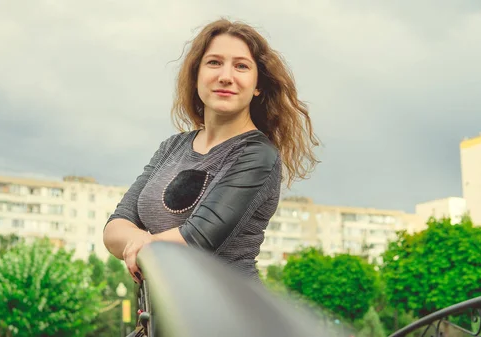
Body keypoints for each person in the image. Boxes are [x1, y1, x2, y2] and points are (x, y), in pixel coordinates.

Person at [103, 18, 319, 284]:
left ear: (258, 85)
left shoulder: (257, 154)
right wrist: (140, 241)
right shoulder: (172, 147)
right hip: (162, 319)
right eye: (214, 62)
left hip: (230, 318)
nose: (225, 77)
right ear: (196, 76)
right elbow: (115, 227)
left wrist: (141, 244)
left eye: (241, 66)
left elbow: (196, 239)